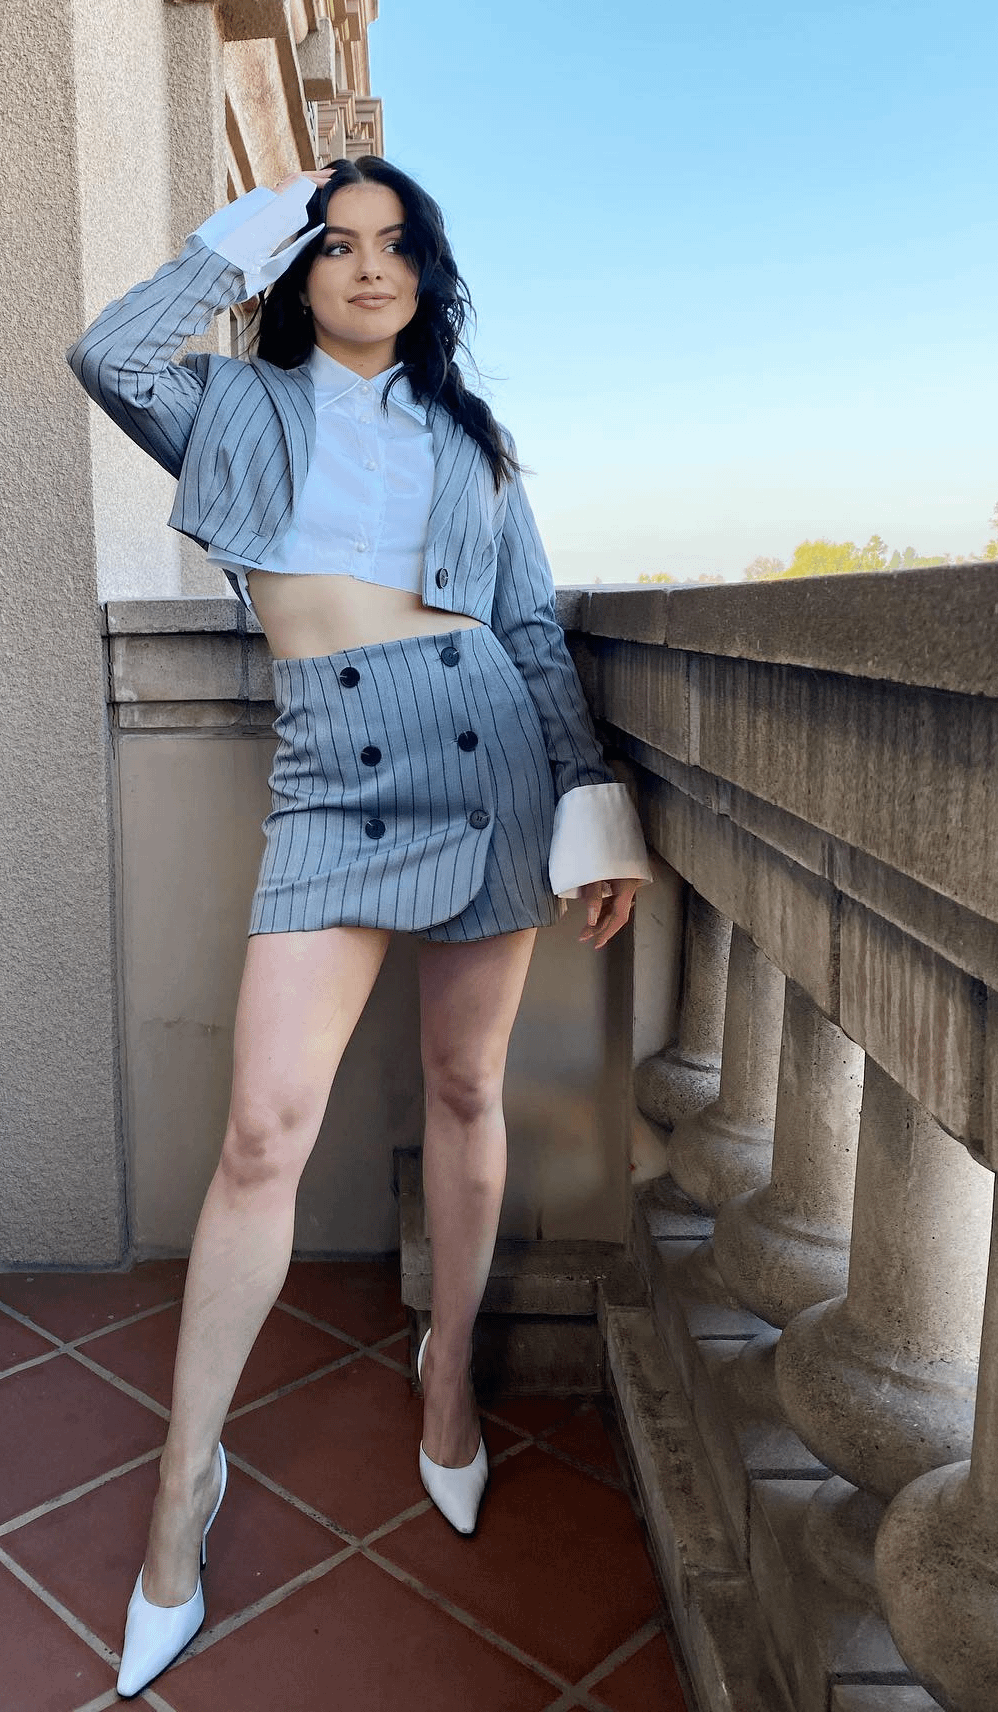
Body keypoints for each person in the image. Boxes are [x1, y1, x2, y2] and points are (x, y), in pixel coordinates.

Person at [67, 155, 650, 1697]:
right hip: (330, 775)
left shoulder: (470, 441)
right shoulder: (235, 408)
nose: (369, 266)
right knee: (265, 1130)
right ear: (297, 271)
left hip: (486, 753)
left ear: (426, 273)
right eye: (336, 245)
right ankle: (185, 1483)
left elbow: (528, 631)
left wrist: (590, 798)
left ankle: (447, 1378)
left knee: (466, 1085)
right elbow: (108, 354)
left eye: (395, 244)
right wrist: (242, 235)